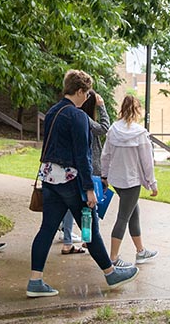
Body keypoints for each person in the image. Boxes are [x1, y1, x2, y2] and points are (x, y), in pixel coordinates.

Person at [26, 69, 138, 298]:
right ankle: (110, 272)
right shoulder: (77, 116)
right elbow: (82, 155)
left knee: (46, 230)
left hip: (50, 180)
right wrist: (89, 189)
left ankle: (35, 281)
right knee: (91, 229)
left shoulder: (52, 112)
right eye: (86, 94)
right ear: (78, 91)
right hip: (71, 182)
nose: (87, 98)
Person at [100, 95, 159, 268]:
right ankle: (113, 258)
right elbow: (147, 161)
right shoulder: (140, 133)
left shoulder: (112, 130)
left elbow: (106, 155)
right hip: (132, 181)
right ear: (137, 110)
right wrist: (152, 183)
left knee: (134, 212)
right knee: (123, 217)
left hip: (117, 180)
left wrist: (104, 176)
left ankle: (141, 251)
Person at [59, 89, 109, 254]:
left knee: (70, 206)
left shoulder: (74, 116)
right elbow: (104, 128)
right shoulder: (83, 117)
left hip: (79, 166)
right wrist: (102, 107)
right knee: (89, 205)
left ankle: (71, 240)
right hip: (89, 167)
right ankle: (87, 242)